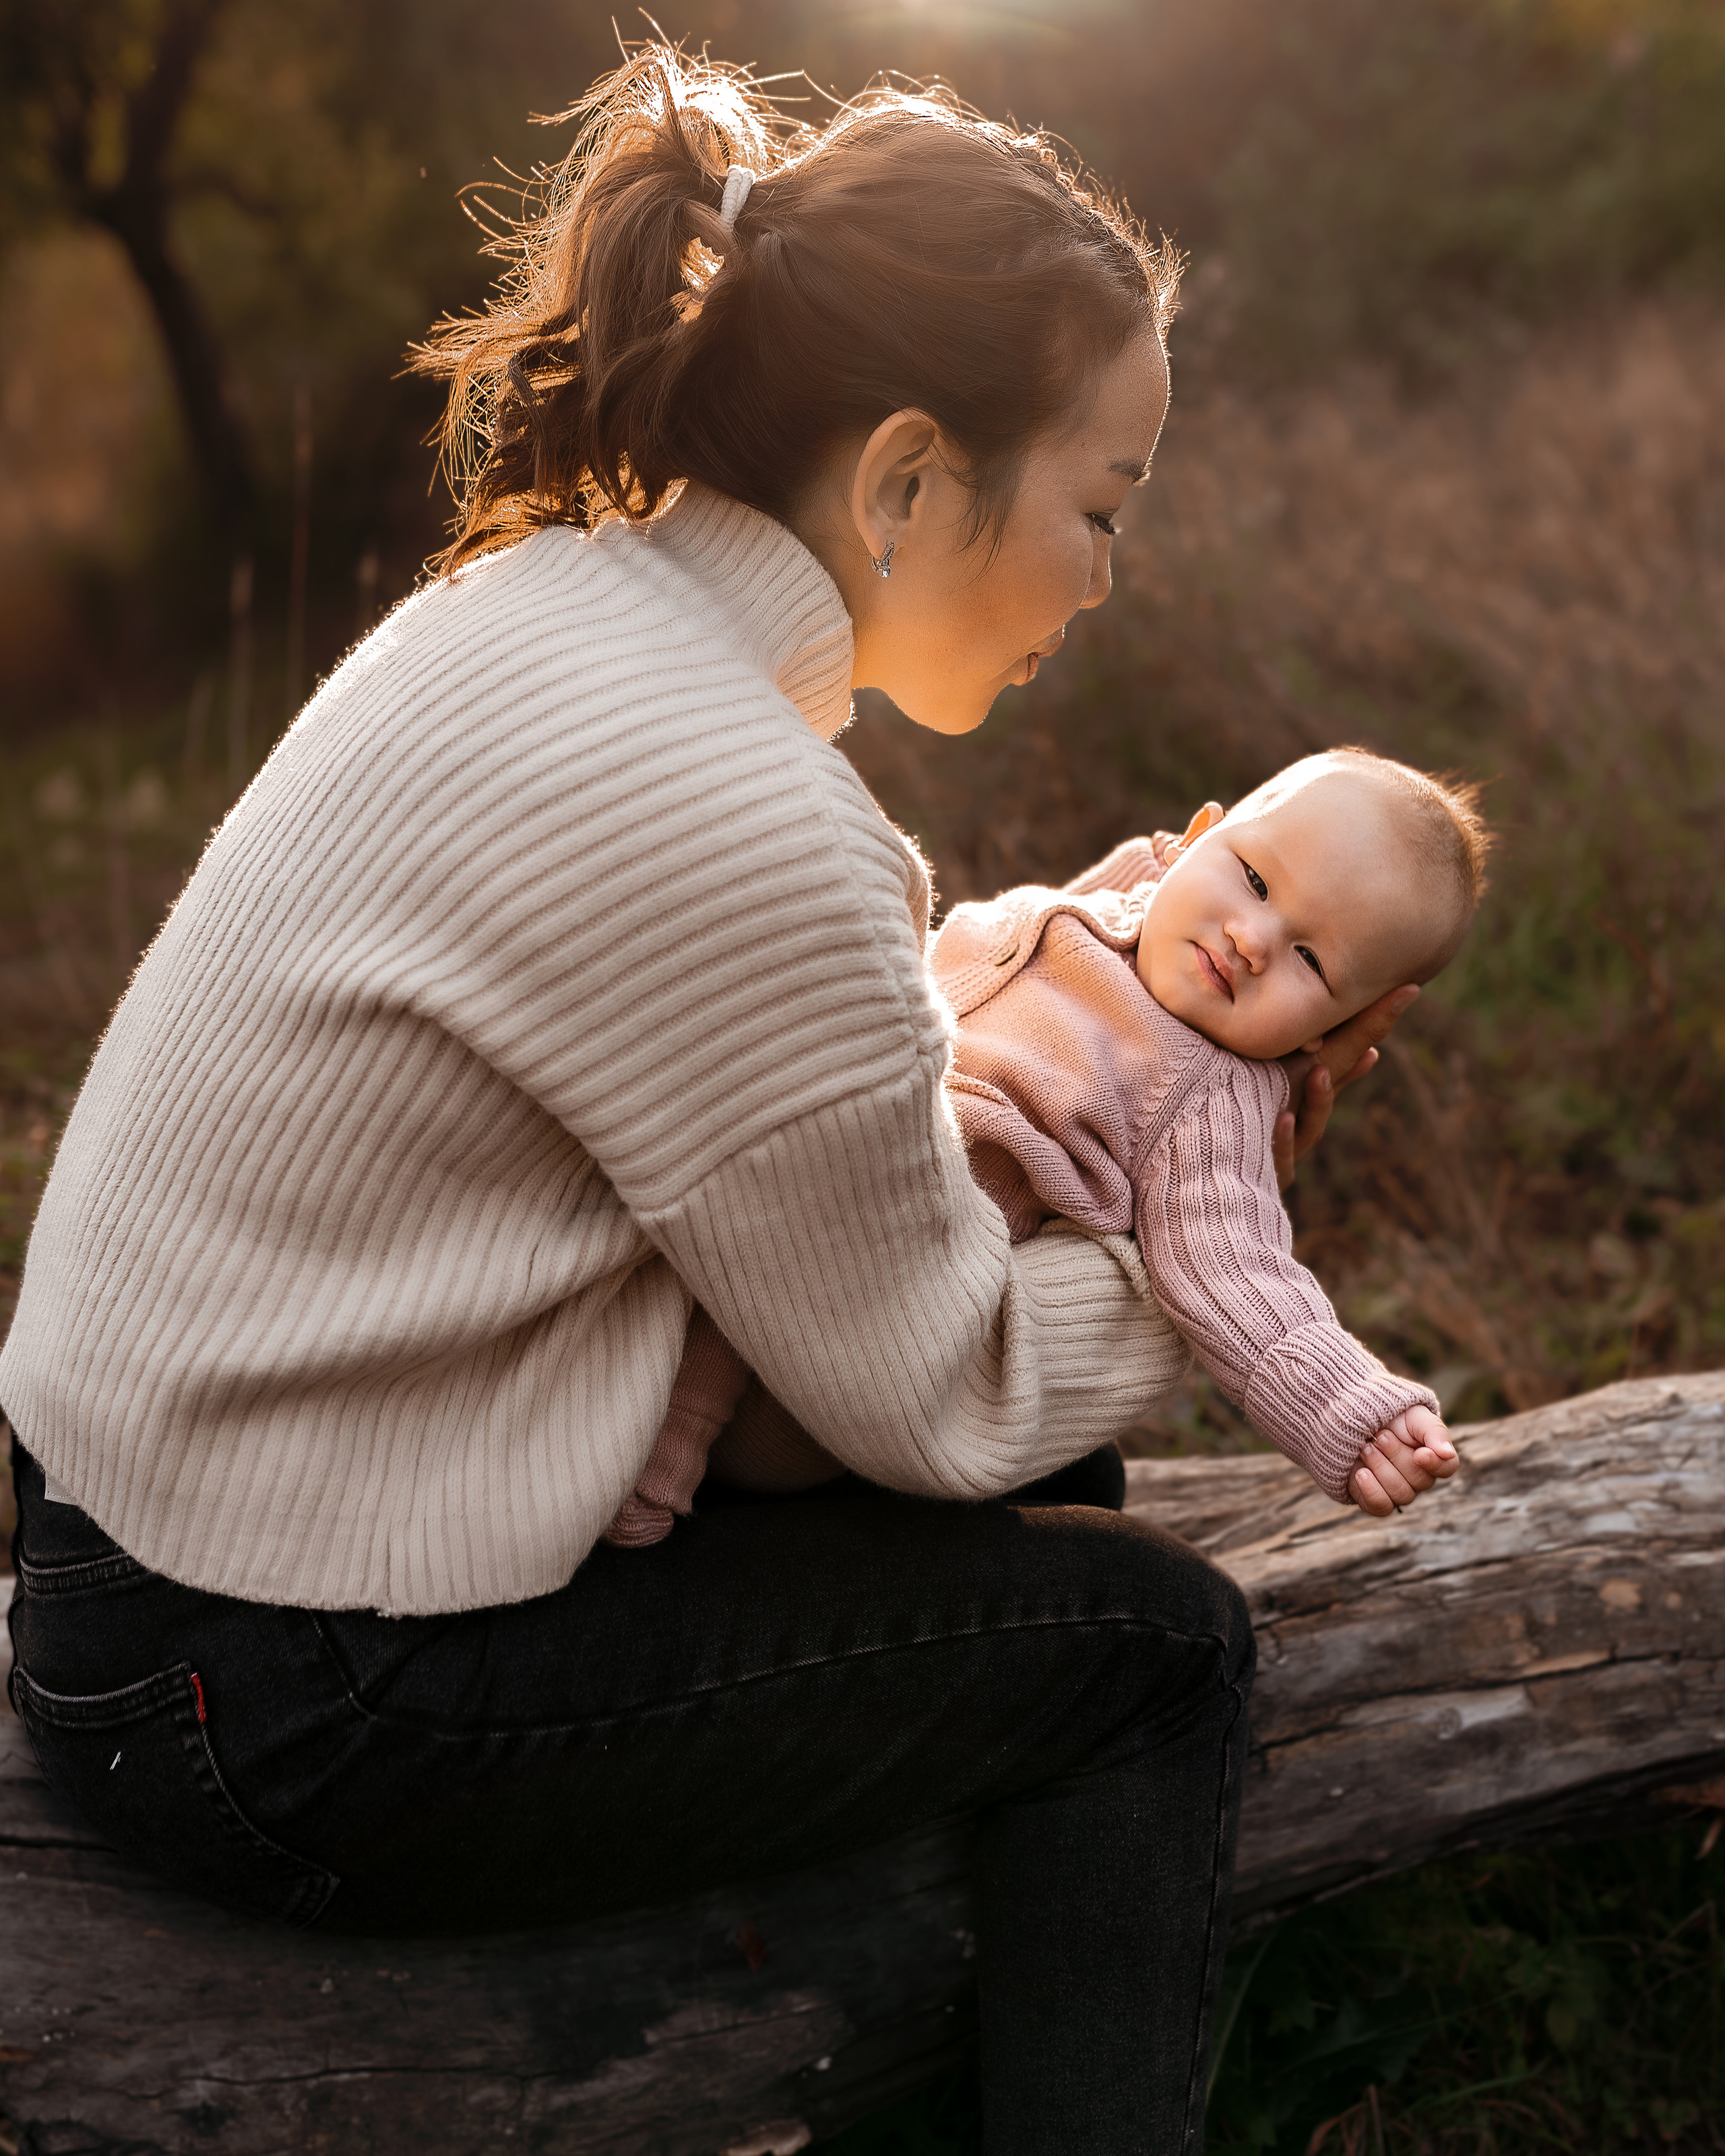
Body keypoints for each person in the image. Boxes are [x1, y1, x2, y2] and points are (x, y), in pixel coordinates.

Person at [1, 50, 1423, 2153]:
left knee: (1038, 1540)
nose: (1104, 576)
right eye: (1099, 505)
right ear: (912, 478)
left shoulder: (540, 601)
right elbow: (926, 1386)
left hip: (141, 1553)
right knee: (1147, 1649)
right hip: (273, 1695)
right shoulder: (743, 812)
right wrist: (1205, 1258)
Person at [611, 748, 1476, 1540]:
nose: (1250, 941)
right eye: (1254, 877)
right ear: (1196, 839)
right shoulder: (1118, 911)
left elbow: (1234, 1263)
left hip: (824, 1344)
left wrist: (1349, 1407)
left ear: (1344, 1023)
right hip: (822, 1179)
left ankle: (647, 1481)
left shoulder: (1210, 1094)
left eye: (1311, 962)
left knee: (770, 1220)